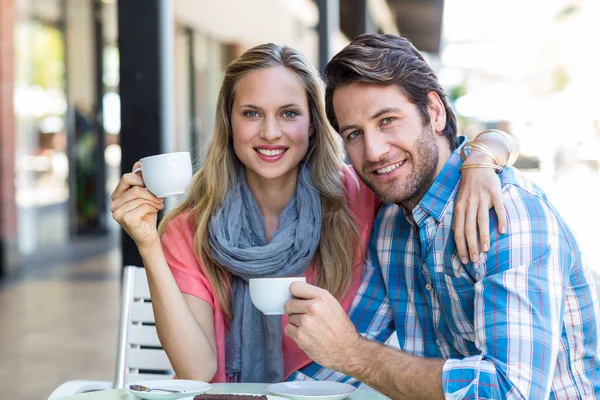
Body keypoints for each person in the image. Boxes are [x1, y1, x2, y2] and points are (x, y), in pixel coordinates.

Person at [110, 43, 515, 384]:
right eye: (251, 113)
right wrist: (147, 243)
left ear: (314, 125)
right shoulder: (190, 228)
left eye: (289, 113)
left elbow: (432, 155)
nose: (270, 132)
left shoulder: (358, 193)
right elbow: (197, 371)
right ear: (229, 123)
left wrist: (481, 160)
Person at [285, 34, 600, 399]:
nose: (373, 151)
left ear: (434, 112)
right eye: (354, 134)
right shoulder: (391, 225)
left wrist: (354, 355)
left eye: (387, 120)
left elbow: (511, 391)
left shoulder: (509, 213)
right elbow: (347, 347)